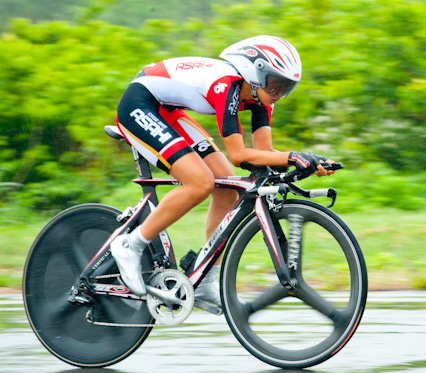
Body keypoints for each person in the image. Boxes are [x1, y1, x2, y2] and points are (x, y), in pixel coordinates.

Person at [110, 35, 335, 305]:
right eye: (277, 84)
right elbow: (240, 155)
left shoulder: (260, 98)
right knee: (200, 183)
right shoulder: (226, 85)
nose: (280, 93)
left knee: (226, 189)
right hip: (140, 105)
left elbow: (263, 153)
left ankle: (204, 279)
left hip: (167, 111)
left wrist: (308, 160)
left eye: (286, 87)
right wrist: (294, 156)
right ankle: (130, 245)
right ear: (256, 73)